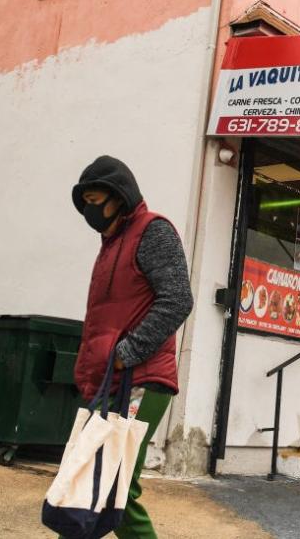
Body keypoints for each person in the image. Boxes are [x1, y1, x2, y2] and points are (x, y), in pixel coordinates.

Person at [71, 155, 193, 538]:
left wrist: (126, 353)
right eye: (84, 201)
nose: (89, 209)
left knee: (113, 488)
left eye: (95, 199)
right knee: (86, 485)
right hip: (111, 381)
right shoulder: (111, 245)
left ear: (118, 196)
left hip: (140, 378)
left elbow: (177, 299)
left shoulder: (152, 231)